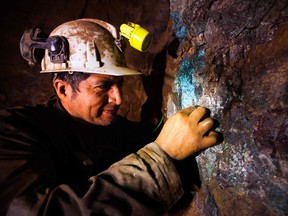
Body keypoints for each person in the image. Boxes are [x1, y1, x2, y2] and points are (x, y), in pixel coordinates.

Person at [0, 18, 220, 215]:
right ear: (63, 89)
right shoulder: (13, 134)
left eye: (119, 85)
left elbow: (146, 134)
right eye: (102, 87)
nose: (118, 99)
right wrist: (160, 158)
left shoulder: (109, 127)